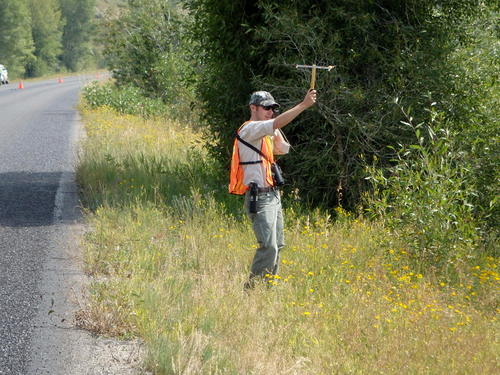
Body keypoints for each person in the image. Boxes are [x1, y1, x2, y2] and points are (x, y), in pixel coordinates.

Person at [229, 89, 317, 288]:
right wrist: (303, 105)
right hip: (258, 196)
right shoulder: (250, 129)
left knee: (278, 246)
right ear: (253, 108)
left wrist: (274, 129)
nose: (271, 111)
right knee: (269, 246)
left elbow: (283, 148)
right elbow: (274, 124)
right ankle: (253, 291)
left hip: (272, 195)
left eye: (273, 108)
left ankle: (267, 288)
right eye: (266, 107)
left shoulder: (264, 133)